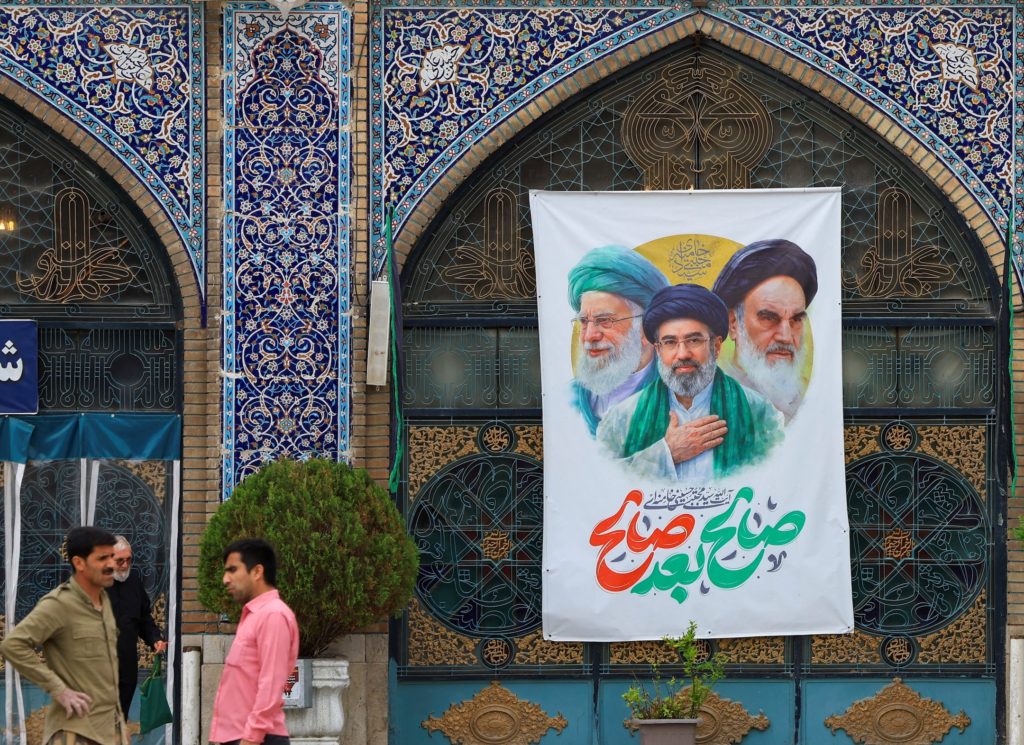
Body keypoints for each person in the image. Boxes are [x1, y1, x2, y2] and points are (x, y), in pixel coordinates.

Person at [597, 283, 784, 481]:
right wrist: (666, 453)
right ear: (658, 350)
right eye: (670, 342)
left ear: (716, 346)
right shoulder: (622, 418)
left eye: (694, 340)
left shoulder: (760, 413)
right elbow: (601, 482)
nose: (683, 354)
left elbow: (781, 478)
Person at [0, 526, 127, 745]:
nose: (111, 565)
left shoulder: (103, 601)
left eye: (112, 557)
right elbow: (13, 645)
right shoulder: (59, 604)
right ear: (79, 563)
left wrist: (121, 728)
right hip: (74, 732)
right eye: (102, 558)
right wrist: (58, 689)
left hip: (108, 729)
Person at [567, 245, 670, 435]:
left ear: (646, 328)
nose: (589, 336)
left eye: (604, 321)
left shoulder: (677, 401)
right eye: (584, 321)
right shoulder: (571, 397)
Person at [712, 239, 818, 421]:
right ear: (733, 323)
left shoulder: (810, 402)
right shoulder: (709, 402)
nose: (786, 336)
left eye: (796, 319)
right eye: (769, 318)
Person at [209, 538, 299, 745]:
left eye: (233, 570)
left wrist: (251, 738)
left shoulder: (273, 615)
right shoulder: (254, 615)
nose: (225, 579)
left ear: (257, 571)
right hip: (240, 737)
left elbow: (271, 683)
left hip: (257, 739)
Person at [107, 535, 167, 719]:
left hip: (127, 663)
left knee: (120, 717)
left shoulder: (133, 581)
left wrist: (155, 639)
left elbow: (143, 618)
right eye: (120, 561)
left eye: (129, 560)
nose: (125, 565)